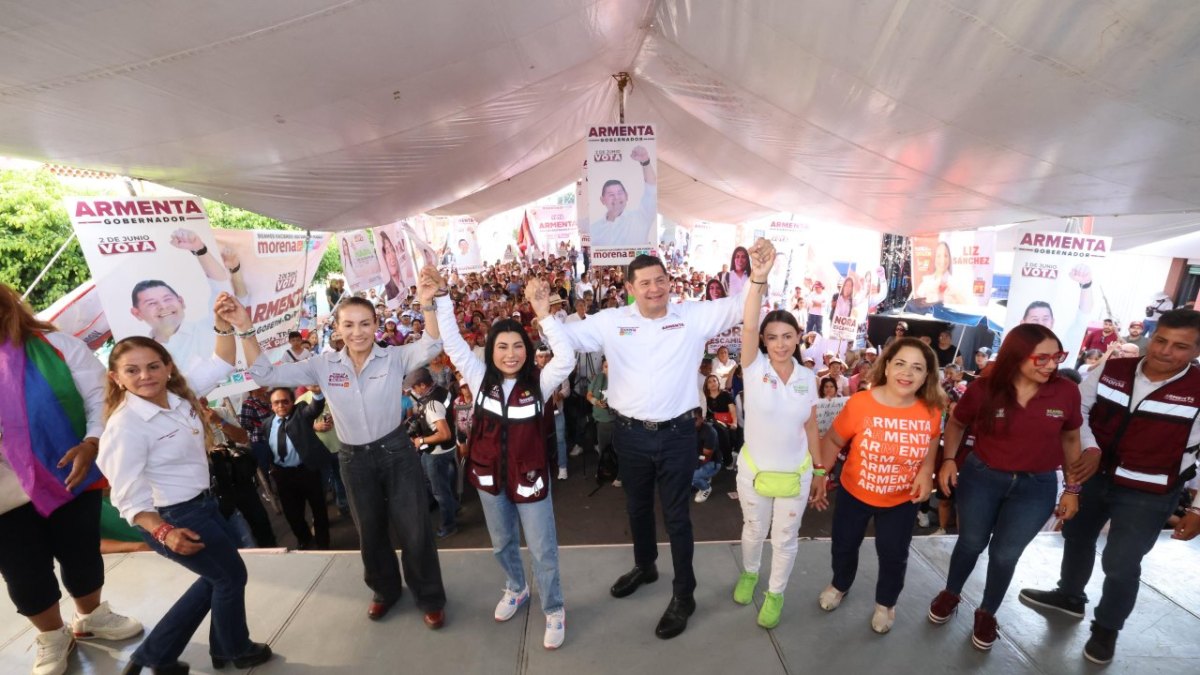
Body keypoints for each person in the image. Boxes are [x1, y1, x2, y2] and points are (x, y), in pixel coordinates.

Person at [555, 243, 770, 639]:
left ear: (669, 282)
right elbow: (564, 336)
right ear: (629, 288)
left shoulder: (691, 317)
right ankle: (645, 565)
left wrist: (758, 275)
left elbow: (742, 305)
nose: (655, 288)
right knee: (636, 508)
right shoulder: (610, 321)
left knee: (676, 517)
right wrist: (539, 311)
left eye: (660, 280)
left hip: (677, 436)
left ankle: (684, 595)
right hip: (629, 434)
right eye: (645, 283)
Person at [235, 284, 449, 629]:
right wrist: (245, 328)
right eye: (348, 324)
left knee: (414, 529)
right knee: (370, 530)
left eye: (365, 323)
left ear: (376, 324)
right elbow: (266, 375)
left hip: (396, 452)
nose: (357, 332)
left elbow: (434, 344)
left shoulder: (394, 357)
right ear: (336, 328)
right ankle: (384, 591)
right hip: (354, 460)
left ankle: (429, 597)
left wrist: (427, 303)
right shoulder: (321, 366)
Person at [98, 293, 272, 673]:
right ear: (116, 377)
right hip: (174, 517)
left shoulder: (180, 397)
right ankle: (234, 649)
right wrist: (164, 533)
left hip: (204, 506)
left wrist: (223, 323)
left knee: (215, 580)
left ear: (166, 367)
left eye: (153, 366)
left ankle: (156, 656)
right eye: (132, 370)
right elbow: (126, 497)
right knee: (229, 578)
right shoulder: (125, 426)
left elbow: (222, 361)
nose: (145, 375)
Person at [1019, 309, 1200, 665]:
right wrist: (1091, 447)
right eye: (1160, 339)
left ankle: (1106, 629)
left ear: (1196, 351)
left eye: (1180, 347)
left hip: (1150, 491)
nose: (1164, 351)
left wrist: (1197, 509)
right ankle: (1069, 597)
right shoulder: (1114, 368)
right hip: (1095, 476)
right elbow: (1079, 409)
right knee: (1076, 537)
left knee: (1121, 562)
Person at [0, 283, 143, 675]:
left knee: (81, 553)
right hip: (4, 496)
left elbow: (100, 395)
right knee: (23, 572)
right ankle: (51, 636)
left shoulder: (55, 344)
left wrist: (92, 441)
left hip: (67, 470)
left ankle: (91, 617)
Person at [428, 267, 574, 650]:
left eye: (518, 346)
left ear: (528, 350)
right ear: (491, 351)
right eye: (502, 347)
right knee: (501, 543)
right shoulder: (479, 379)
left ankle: (554, 609)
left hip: (531, 481)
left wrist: (543, 313)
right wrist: (442, 298)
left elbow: (568, 358)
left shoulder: (539, 383)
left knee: (543, 549)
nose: (511, 355)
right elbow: (455, 344)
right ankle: (516, 588)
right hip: (490, 480)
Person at [926, 323, 1083, 651]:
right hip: (982, 478)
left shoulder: (1066, 391)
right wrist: (950, 459)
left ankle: (987, 612)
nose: (1051, 365)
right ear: (1016, 356)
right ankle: (951, 592)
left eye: (1057, 356)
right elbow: (956, 422)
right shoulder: (984, 388)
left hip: (1037, 486)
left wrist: (1072, 488)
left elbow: (1070, 437)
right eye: (1041, 358)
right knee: (970, 542)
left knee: (1005, 554)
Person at [809, 337, 944, 634]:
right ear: (886, 366)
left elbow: (932, 438)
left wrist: (927, 469)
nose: (907, 373)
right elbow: (832, 440)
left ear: (927, 375)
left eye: (917, 367)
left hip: (901, 501)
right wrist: (819, 473)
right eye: (900, 364)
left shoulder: (932, 409)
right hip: (854, 494)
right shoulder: (860, 403)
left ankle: (886, 603)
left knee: (894, 555)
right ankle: (840, 584)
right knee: (844, 545)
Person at [731, 242, 820, 629]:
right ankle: (750, 572)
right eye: (772, 337)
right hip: (754, 471)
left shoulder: (808, 379)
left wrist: (818, 472)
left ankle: (775, 593)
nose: (780, 344)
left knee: (784, 539)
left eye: (787, 336)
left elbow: (812, 425)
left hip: (795, 475)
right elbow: (748, 324)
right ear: (764, 341)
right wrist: (759, 280)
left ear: (798, 338)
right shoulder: (753, 368)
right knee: (754, 532)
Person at [265, 386, 332, 550]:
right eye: (276, 402)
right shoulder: (266, 424)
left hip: (307, 471)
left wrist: (317, 393)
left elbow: (315, 408)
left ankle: (323, 544)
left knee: (319, 510)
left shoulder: (300, 412)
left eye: (285, 401)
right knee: (292, 514)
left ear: (292, 402)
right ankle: (304, 539)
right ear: (271, 406)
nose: (280, 405)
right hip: (283, 476)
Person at [406, 367, 459, 538]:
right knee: (442, 484)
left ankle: (448, 525)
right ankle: (452, 507)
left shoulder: (432, 404)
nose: (413, 391)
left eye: (414, 387)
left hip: (436, 453)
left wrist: (420, 440)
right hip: (448, 449)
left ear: (422, 385)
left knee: (440, 491)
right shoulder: (443, 391)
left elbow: (444, 434)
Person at [589, 146, 657, 248]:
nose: (616, 198)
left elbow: (651, 189)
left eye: (620, 193)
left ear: (627, 196)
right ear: (602, 200)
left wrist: (645, 162)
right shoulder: (594, 229)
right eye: (611, 195)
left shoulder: (641, 217)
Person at [914, 240, 969, 305]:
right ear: (934, 258)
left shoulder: (955, 282)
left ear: (949, 258)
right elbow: (918, 302)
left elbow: (965, 305)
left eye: (945, 256)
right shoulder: (927, 281)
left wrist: (955, 296)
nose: (942, 260)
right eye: (938, 256)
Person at [691, 412, 721, 502]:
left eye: (694, 419)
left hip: (712, 462)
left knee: (690, 476)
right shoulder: (687, 429)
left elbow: (705, 457)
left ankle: (706, 488)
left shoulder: (709, 432)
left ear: (701, 418)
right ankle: (704, 477)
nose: (691, 423)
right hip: (695, 457)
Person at [379, 230, 411, 304]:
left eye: (392, 249)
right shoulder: (389, 290)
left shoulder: (406, 281)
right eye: (387, 251)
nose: (391, 256)